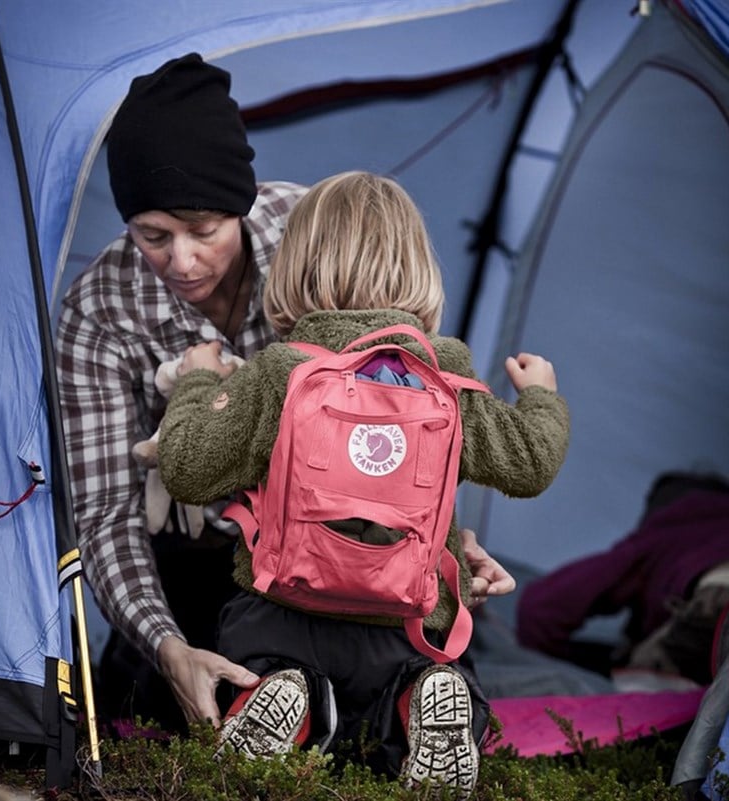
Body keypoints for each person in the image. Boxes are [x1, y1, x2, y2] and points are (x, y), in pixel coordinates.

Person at [55, 53, 515, 734]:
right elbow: (105, 513)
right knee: (157, 699)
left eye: (203, 230)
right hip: (200, 560)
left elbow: (406, 403)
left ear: (240, 207)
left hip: (348, 547)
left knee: (357, 665)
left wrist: (437, 533)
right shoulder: (98, 312)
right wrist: (166, 644)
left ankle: (392, 703)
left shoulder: (315, 236)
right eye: (153, 236)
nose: (180, 262)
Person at [157, 171, 570, 795]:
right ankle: (417, 699)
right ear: (420, 271)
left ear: (294, 268)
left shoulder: (284, 369)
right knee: (431, 671)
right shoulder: (446, 374)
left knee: (259, 647)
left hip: (285, 612)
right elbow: (530, 463)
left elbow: (186, 468)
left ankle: (283, 693)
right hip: (405, 625)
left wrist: (197, 380)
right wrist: (540, 396)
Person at [517, 470, 729, 686]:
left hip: (712, 602)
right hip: (711, 601)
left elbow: (541, 607)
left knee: (635, 687)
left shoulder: (664, 532)